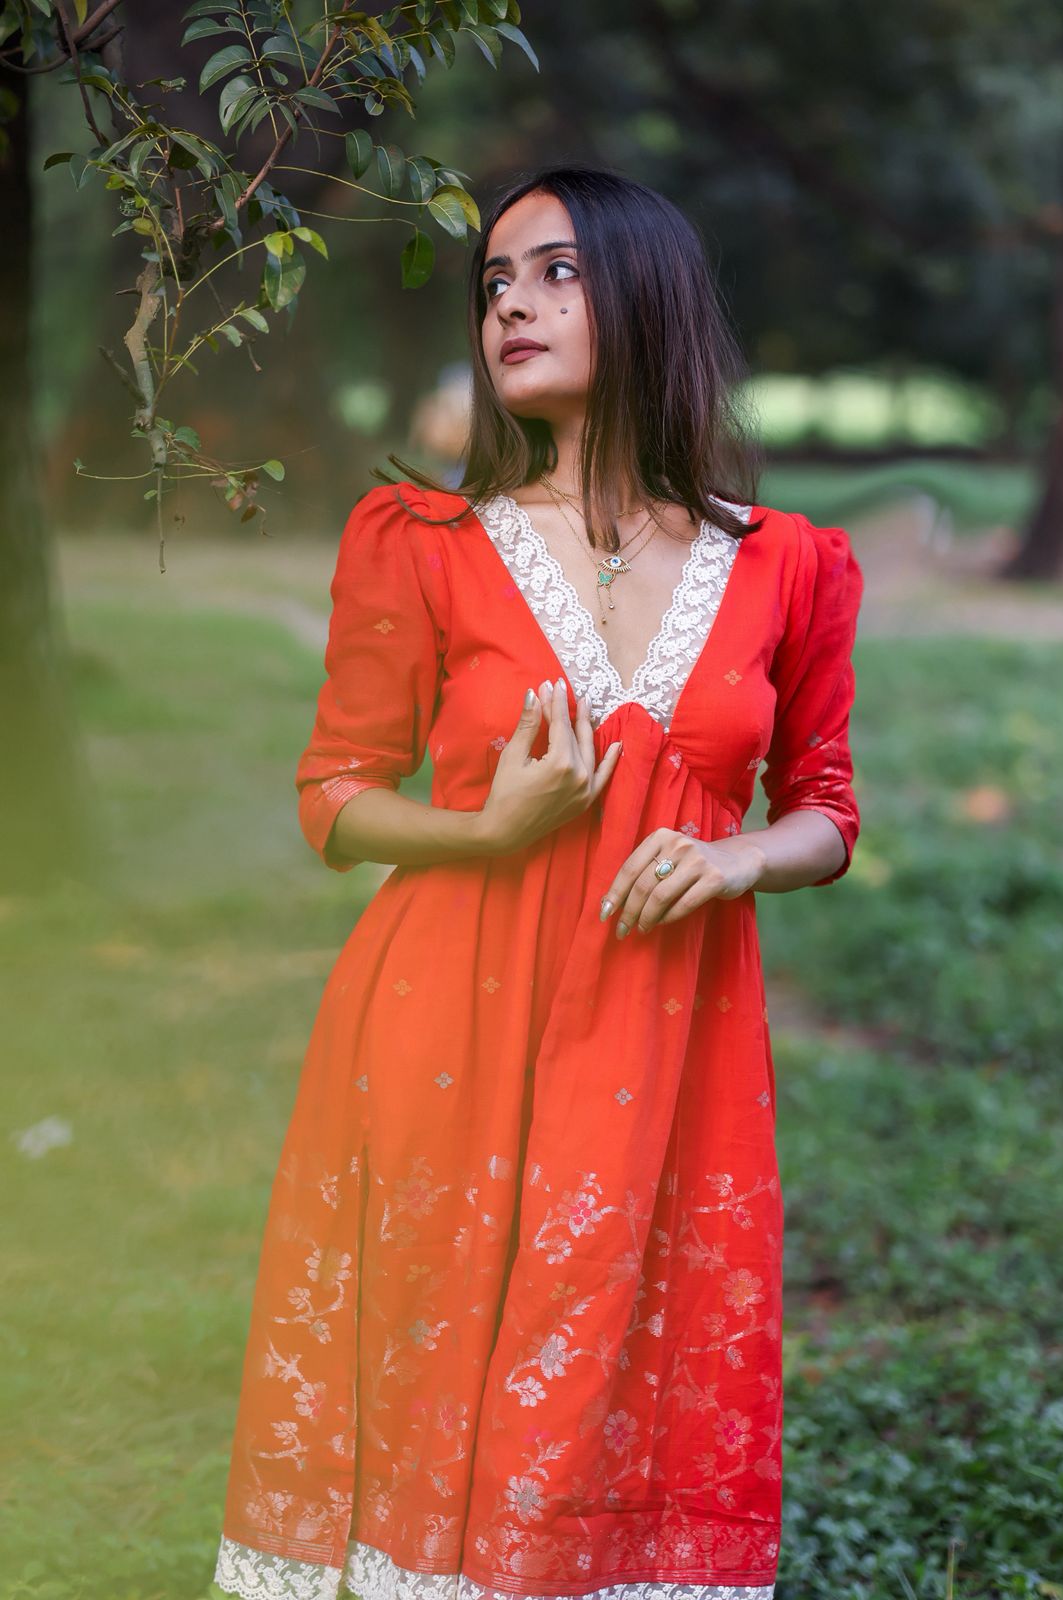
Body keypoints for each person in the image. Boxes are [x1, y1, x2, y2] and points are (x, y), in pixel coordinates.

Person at [212, 163, 863, 1600]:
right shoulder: (423, 543)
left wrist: (734, 855)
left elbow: (825, 811)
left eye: (556, 271)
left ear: (648, 293)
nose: (511, 303)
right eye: (495, 281)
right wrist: (489, 830)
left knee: (616, 1354)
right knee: (438, 1356)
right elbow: (334, 795)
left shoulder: (788, 567)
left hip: (667, 1036)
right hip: (448, 1014)